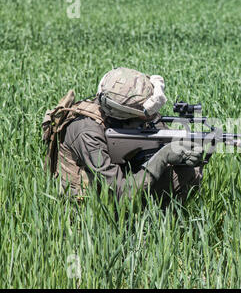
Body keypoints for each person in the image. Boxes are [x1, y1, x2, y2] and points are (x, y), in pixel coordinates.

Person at [42, 67, 203, 206]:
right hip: (89, 207)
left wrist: (186, 154)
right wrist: (163, 157)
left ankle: (160, 225)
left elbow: (162, 136)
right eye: (144, 117)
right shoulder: (87, 133)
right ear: (128, 116)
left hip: (113, 182)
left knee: (187, 173)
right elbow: (123, 193)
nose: (150, 119)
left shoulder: (122, 117)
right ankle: (141, 231)